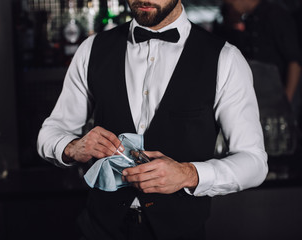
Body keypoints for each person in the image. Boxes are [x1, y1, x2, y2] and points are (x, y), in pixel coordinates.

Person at [37, 0, 268, 239]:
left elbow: (254, 162)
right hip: (98, 229)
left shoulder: (226, 59)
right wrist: (72, 147)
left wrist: (189, 174)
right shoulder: (92, 49)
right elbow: (51, 131)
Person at [213, 0, 301, 103]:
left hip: (280, 96)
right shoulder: (249, 20)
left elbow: (294, 61)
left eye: (229, 5)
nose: (229, 9)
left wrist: (287, 98)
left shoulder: (275, 14)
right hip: (262, 97)